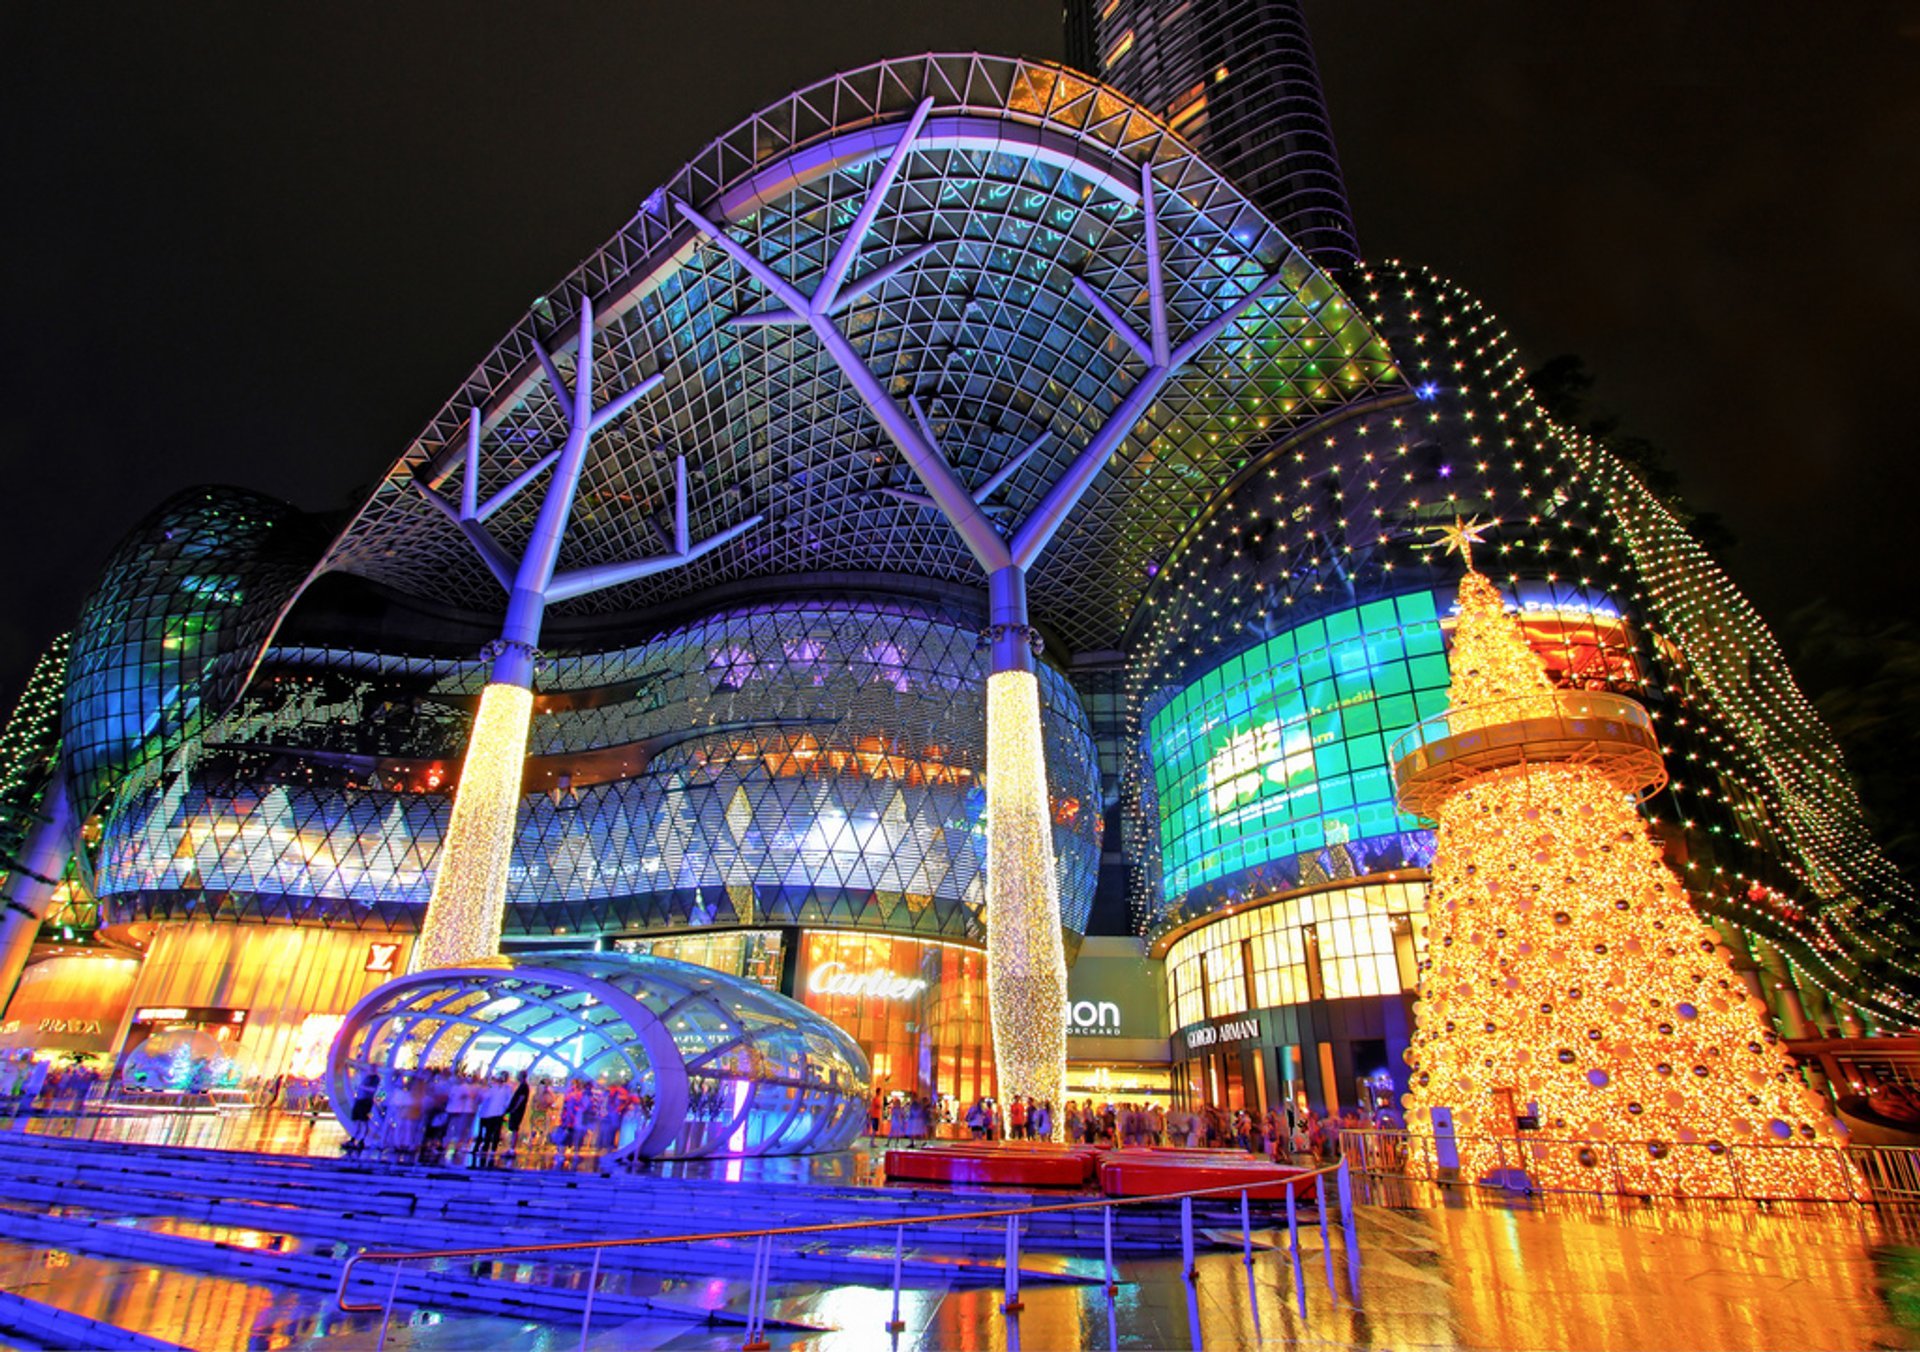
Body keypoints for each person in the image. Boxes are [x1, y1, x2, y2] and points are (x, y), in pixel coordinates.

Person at [473, 1074, 511, 1165]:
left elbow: (508, 1100)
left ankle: (492, 1149)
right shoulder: (493, 1087)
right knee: (489, 1132)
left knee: (495, 1132)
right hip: (491, 1113)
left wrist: (505, 1108)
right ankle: (486, 1148)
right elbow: (485, 1097)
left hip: (498, 1113)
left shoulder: (506, 1089)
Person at [345, 1071, 379, 1153]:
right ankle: (353, 1139)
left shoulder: (375, 1078)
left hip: (365, 1102)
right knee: (357, 1121)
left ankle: (362, 1140)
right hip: (359, 1101)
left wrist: (363, 1087)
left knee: (363, 1122)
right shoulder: (364, 1077)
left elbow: (373, 1089)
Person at [503, 1071, 531, 1161]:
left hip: (517, 1111)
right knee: (513, 1128)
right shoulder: (522, 1086)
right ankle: (511, 1148)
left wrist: (514, 1108)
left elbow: (521, 1099)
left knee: (514, 1128)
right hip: (516, 1110)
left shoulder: (524, 1087)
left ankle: (512, 1148)